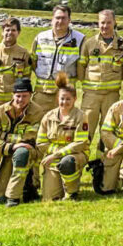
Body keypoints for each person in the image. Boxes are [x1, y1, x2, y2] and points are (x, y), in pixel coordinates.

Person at [79, 9, 123, 191]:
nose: (104, 26)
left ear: (115, 22)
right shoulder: (89, 43)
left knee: (107, 135)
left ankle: (103, 173)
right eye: (101, 22)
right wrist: (87, 86)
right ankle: (75, 173)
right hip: (91, 97)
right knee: (85, 134)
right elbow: (81, 66)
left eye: (108, 22)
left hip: (111, 96)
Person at [0, 78, 39, 206]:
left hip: (27, 150)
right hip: (1, 153)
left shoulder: (37, 112)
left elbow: (31, 137)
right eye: (18, 96)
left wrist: (1, 135)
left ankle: (13, 197)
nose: (20, 100)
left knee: (21, 153)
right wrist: (11, 146)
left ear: (31, 95)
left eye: (24, 96)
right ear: (13, 95)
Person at [38, 72, 90, 201]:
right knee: (50, 197)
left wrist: (57, 154)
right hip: (54, 159)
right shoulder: (48, 117)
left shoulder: (81, 116)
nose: (64, 102)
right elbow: (41, 142)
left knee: (67, 163)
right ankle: (62, 185)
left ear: (75, 99)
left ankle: (71, 192)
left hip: (75, 156)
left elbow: (80, 143)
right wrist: (56, 154)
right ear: (57, 99)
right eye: (62, 98)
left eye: (68, 99)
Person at [28, 5, 84, 115]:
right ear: (52, 19)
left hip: (65, 95)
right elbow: (33, 62)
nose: (60, 21)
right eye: (57, 18)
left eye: (64, 18)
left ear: (69, 20)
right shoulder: (40, 38)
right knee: (39, 126)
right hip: (42, 93)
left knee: (64, 127)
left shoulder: (79, 39)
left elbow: (82, 67)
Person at [0, 18, 32, 108]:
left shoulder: (24, 54)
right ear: (2, 32)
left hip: (14, 101)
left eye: (13, 30)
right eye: (7, 30)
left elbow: (26, 79)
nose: (10, 33)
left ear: (18, 33)